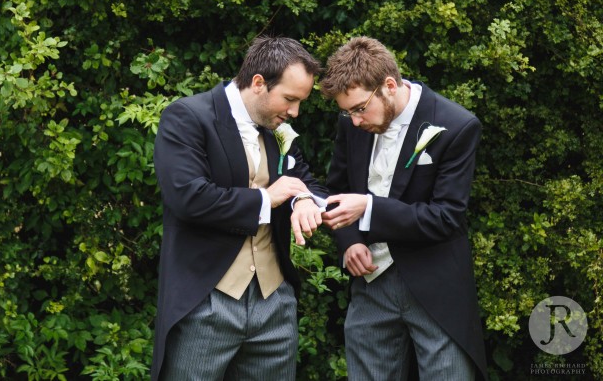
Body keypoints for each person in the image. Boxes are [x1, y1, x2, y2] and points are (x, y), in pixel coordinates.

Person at [291, 36, 488, 380]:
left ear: (390, 85)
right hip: (371, 282)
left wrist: (368, 208)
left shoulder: (456, 126)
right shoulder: (352, 124)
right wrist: (350, 240)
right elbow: (338, 188)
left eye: (360, 108)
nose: (354, 120)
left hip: (435, 286)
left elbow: (445, 217)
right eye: (346, 112)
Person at [151, 36, 326, 381]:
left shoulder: (278, 130)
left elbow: (309, 184)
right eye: (290, 99)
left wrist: (303, 199)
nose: (294, 112)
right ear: (259, 83)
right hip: (206, 300)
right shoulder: (188, 117)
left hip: (275, 302)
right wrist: (267, 199)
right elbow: (189, 198)